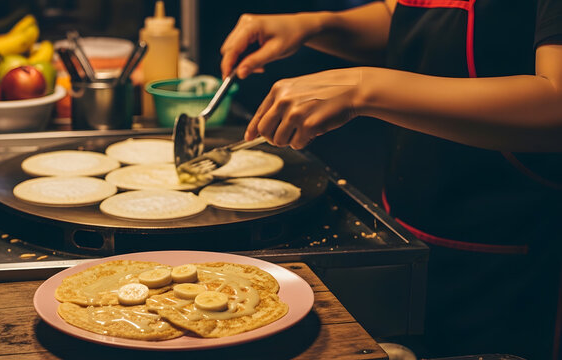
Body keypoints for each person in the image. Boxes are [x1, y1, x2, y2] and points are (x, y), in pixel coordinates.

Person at [220, 1, 562, 359]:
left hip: (517, 253)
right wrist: (317, 25)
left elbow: (557, 105)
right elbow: (411, 15)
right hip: (409, 224)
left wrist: (363, 86)